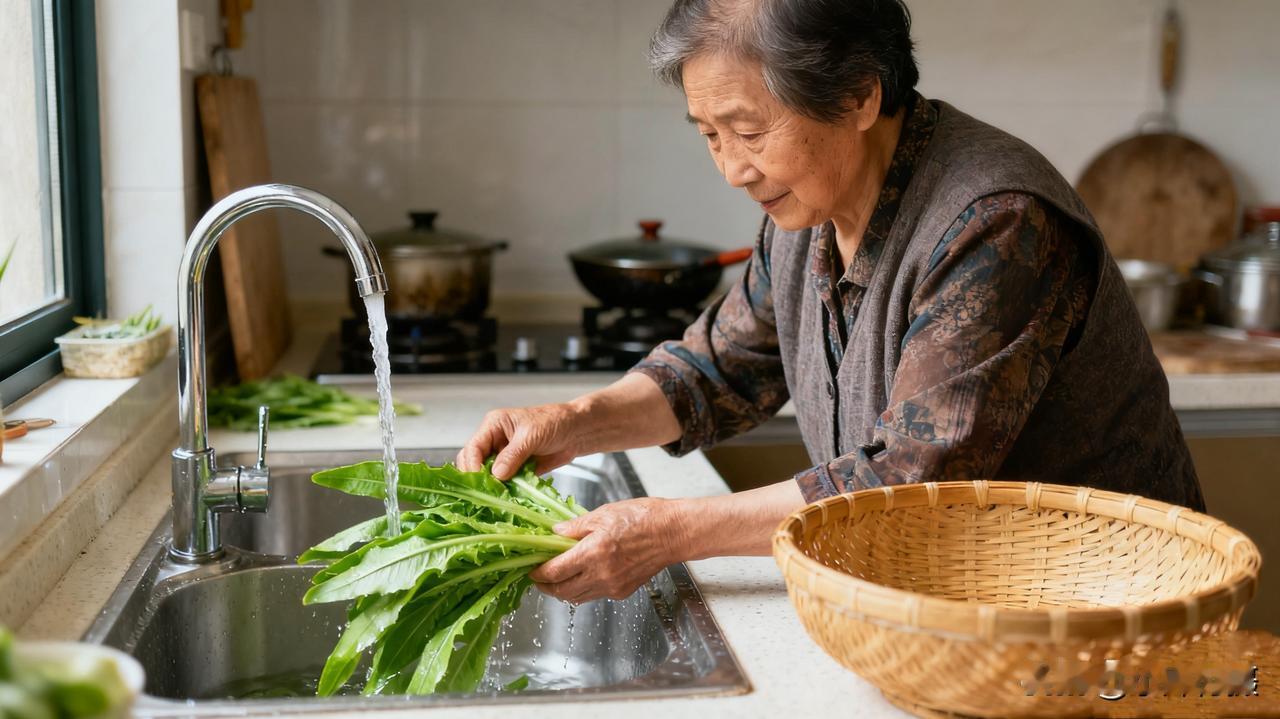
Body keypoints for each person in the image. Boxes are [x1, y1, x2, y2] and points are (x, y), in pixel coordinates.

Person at [456, 0, 1204, 605]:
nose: (731, 169)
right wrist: (570, 423)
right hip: (943, 618)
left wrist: (669, 531)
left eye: (748, 130)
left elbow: (907, 484)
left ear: (859, 95)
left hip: (1099, 626)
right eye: (710, 135)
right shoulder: (806, 211)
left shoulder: (996, 222)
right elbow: (718, 369)